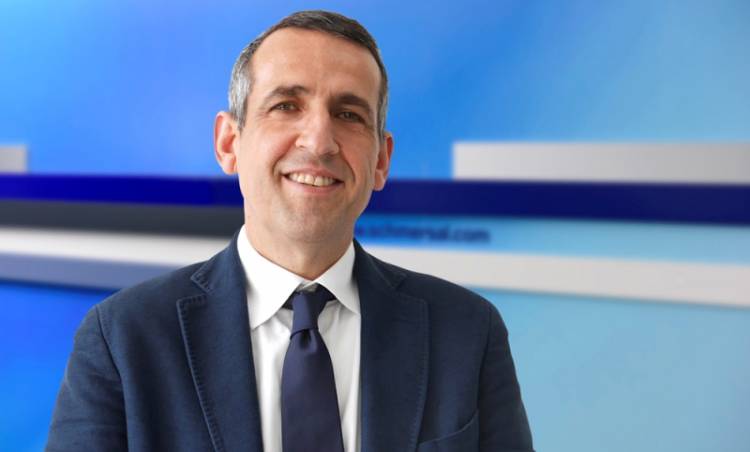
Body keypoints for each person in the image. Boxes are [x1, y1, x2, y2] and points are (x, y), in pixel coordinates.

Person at [47, 10, 533, 452]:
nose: (319, 141)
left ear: (381, 161)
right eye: (285, 105)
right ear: (229, 143)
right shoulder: (123, 339)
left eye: (348, 114)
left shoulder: (467, 333)